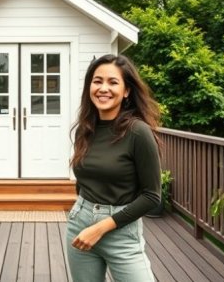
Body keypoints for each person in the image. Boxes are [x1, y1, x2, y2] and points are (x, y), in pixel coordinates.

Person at [67, 53, 161, 282]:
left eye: (113, 82)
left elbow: (152, 196)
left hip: (121, 229)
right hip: (81, 223)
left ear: (126, 91)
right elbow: (83, 181)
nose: (103, 88)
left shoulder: (138, 132)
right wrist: (85, 214)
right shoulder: (85, 129)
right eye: (97, 81)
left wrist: (100, 228)